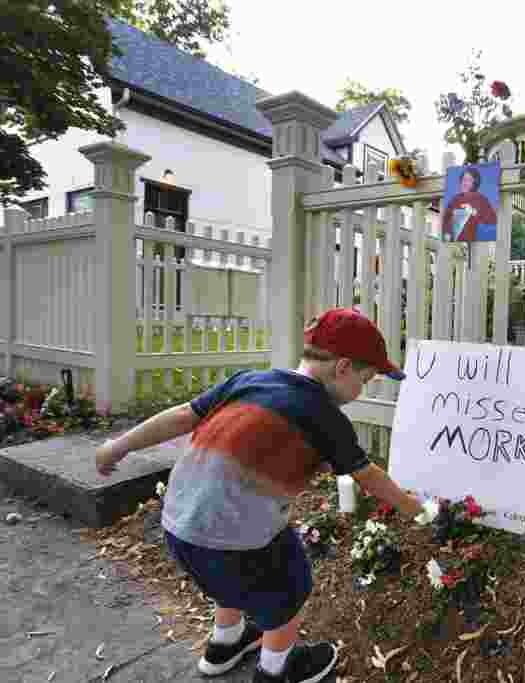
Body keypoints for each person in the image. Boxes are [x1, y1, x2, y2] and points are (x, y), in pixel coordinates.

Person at [95, 308, 426, 683]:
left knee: (231, 573)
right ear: (344, 368)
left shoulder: (249, 380)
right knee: (290, 584)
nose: (362, 390)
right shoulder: (325, 416)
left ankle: (225, 643)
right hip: (236, 541)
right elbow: (368, 476)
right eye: (365, 380)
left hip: (179, 526)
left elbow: (183, 415)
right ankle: (277, 669)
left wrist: (119, 446)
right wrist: (416, 508)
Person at [441, 166, 498, 242]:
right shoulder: (454, 200)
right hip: (452, 242)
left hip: (473, 243)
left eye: (469, 180)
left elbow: (492, 219)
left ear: (475, 183)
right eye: (464, 180)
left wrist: (473, 212)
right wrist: (446, 233)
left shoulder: (481, 199)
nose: (465, 183)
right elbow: (446, 219)